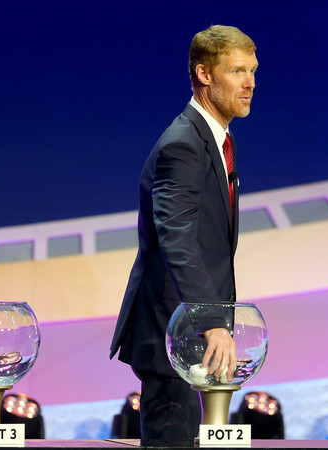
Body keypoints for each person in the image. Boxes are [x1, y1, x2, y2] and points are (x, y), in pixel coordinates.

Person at [110, 24, 258, 447]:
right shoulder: (184, 144)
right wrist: (210, 321)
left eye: (253, 71)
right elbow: (174, 235)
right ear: (205, 75)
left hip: (189, 334)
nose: (249, 83)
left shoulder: (212, 139)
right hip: (173, 331)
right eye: (237, 71)